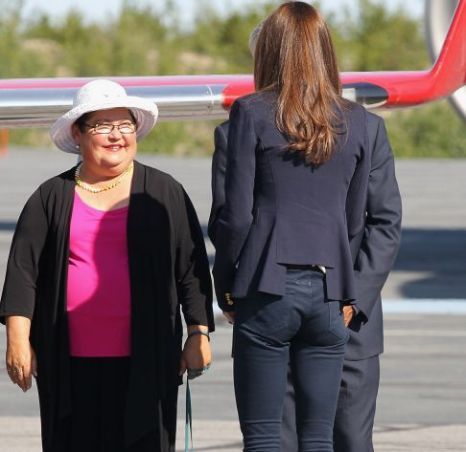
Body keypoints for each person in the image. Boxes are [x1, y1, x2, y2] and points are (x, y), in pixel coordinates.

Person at [209, 2, 401, 451]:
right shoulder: (359, 123)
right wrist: (343, 287)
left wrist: (227, 287)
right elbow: (355, 217)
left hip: (273, 290)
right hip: (332, 292)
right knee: (318, 438)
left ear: (270, 53)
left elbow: (235, 217)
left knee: (264, 437)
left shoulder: (252, 114)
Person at [0, 79, 214, 452]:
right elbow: (23, 272)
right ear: (78, 134)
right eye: (102, 126)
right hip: (68, 365)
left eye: (125, 125)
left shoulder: (164, 193)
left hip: (147, 361)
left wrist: (198, 332)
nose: (116, 136)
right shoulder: (51, 196)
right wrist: (17, 340)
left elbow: (190, 266)